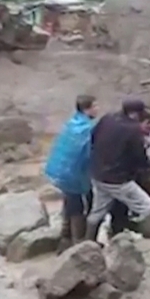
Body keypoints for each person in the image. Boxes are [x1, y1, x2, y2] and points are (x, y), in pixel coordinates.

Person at [85, 98, 150, 241]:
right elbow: (139, 157)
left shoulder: (107, 118)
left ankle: (88, 243)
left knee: (98, 211)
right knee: (148, 208)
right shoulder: (133, 130)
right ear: (134, 114)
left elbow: (93, 137)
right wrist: (145, 170)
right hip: (117, 180)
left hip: (97, 173)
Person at [44, 94, 99, 252]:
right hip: (75, 174)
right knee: (79, 206)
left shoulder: (71, 123)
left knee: (69, 202)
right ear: (87, 109)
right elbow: (88, 154)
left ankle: (65, 236)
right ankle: (79, 243)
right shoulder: (87, 129)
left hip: (61, 170)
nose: (98, 109)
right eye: (95, 106)